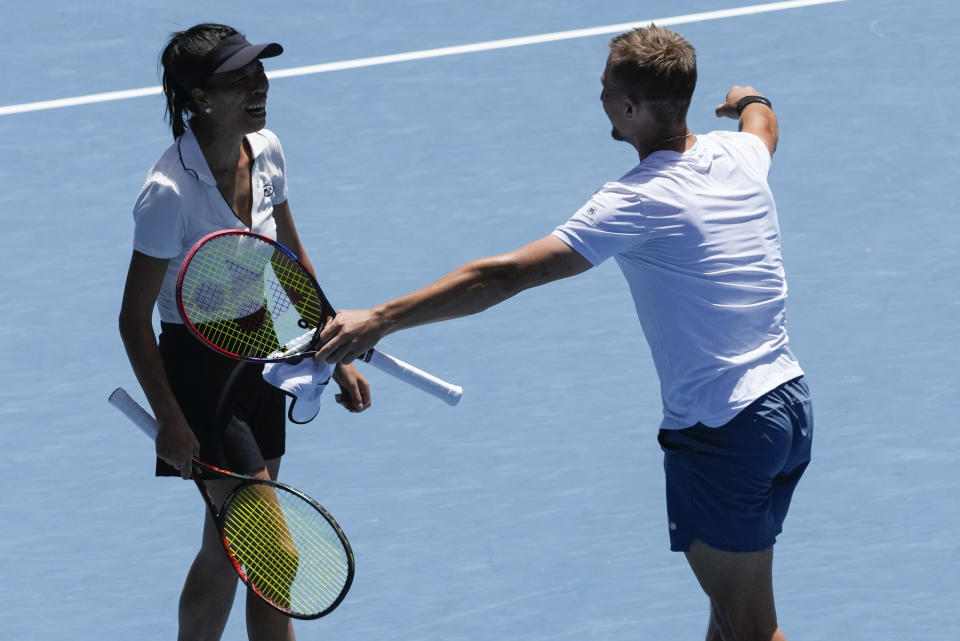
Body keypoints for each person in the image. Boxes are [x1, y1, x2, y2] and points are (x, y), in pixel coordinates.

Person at [316, 25, 812, 641]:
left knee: (750, 625)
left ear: (631, 107)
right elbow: (763, 124)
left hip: (724, 429)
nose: (598, 96)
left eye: (606, 89)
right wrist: (748, 99)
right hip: (786, 410)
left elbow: (501, 276)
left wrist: (382, 317)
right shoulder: (739, 155)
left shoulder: (637, 200)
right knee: (726, 611)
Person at [118, 23, 371, 641]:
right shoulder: (168, 193)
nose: (257, 86)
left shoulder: (268, 148)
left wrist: (333, 349)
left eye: (258, 72)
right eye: (238, 79)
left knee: (228, 550)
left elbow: (291, 261)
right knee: (273, 555)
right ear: (199, 95)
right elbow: (133, 320)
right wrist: (172, 420)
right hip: (200, 375)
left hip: (260, 356)